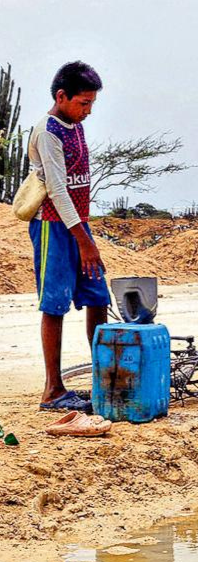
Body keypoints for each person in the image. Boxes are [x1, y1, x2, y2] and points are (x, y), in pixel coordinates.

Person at [29, 61, 107, 413]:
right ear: (61, 97)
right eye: (83, 103)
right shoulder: (47, 132)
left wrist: (85, 233)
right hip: (53, 226)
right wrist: (84, 241)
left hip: (79, 224)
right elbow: (57, 190)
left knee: (97, 297)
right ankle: (53, 390)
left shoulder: (75, 125)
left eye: (91, 104)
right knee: (55, 304)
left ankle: (104, 379)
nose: (88, 111)